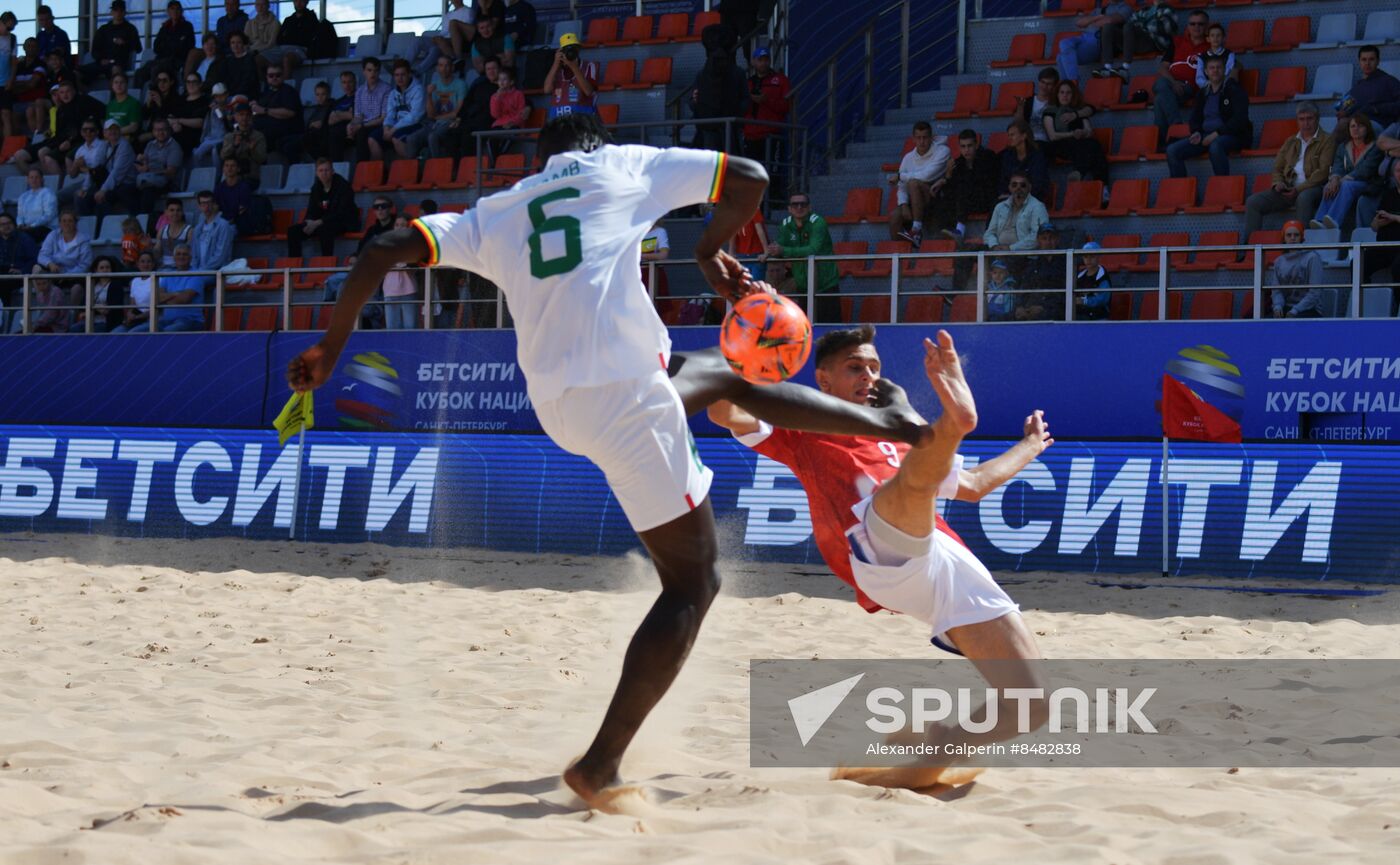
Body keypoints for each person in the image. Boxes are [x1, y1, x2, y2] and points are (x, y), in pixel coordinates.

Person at [287, 112, 929, 812]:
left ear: (539, 160)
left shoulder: (497, 211)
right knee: (695, 581)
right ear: (594, 146)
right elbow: (752, 177)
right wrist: (710, 250)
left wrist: (330, 347)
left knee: (723, 376)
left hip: (560, 404)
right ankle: (601, 764)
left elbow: (381, 246)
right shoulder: (622, 165)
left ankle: (879, 421)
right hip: (625, 404)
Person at [709, 325, 1052, 788]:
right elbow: (725, 411)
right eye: (855, 367)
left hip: (945, 562)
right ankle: (958, 420)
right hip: (874, 548)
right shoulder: (803, 424)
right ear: (824, 380)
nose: (868, 375)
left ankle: (936, 748)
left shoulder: (897, 434)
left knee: (1030, 706)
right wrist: (745, 354)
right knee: (909, 485)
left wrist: (1030, 446)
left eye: (874, 367)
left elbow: (973, 487)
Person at [1244, 102, 1334, 237]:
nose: (1306, 123)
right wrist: (1278, 183)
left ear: (1317, 118)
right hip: (1288, 188)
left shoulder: (1327, 140)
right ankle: (1249, 248)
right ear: (1297, 121)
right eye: (1301, 119)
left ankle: (1301, 246)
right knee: (1253, 202)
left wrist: (1298, 189)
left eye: (1310, 118)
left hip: (1314, 189)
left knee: (1303, 198)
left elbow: (1323, 172)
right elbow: (1277, 168)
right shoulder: (1290, 141)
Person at [1166, 54, 1250, 179]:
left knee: (1215, 146)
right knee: (1172, 150)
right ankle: (1181, 193)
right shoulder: (1202, 93)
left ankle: (1222, 187)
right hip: (1205, 135)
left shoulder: (1234, 90)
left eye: (1219, 67)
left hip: (1232, 135)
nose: (1215, 70)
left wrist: (1216, 134)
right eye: (1212, 68)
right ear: (1206, 71)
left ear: (1224, 70)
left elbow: (1239, 120)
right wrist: (1196, 132)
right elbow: (1195, 118)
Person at [767, 192, 839, 323]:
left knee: (830, 327)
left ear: (809, 207)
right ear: (789, 209)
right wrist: (767, 254)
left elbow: (813, 250)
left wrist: (783, 250)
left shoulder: (818, 223)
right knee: (805, 325)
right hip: (803, 286)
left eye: (803, 204)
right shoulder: (786, 224)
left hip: (825, 284)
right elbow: (779, 245)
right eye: (795, 204)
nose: (799, 207)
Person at [1311, 113, 1383, 232]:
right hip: (1348, 183)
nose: (1356, 129)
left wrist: (1341, 180)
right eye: (1352, 126)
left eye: (1360, 126)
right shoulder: (1343, 147)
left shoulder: (1375, 147)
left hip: (1370, 184)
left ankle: (1334, 220)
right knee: (1329, 187)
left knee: (1345, 185)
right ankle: (1319, 220)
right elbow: (1338, 167)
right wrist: (1334, 179)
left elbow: (1366, 170)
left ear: (1367, 128)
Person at [925, 129, 1000, 243]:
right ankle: (938, 234)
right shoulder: (958, 163)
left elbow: (989, 183)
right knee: (941, 198)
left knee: (962, 191)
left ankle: (960, 230)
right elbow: (951, 190)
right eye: (963, 146)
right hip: (966, 202)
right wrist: (948, 176)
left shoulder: (987, 157)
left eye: (969, 146)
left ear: (976, 145)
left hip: (986, 199)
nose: (966, 150)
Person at [1152, 7, 1207, 149]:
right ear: (1187, 26)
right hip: (1172, 84)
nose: (1196, 27)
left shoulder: (1210, 45)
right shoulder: (1177, 42)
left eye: (1200, 24)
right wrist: (1174, 82)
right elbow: (1162, 67)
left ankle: (1163, 140)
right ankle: (1176, 126)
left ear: (1206, 26)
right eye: (1193, 24)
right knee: (1161, 88)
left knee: (1160, 97)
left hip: (1190, 87)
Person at [889, 122, 950, 249]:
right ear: (913, 139)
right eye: (918, 138)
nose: (922, 141)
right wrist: (904, 205)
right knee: (895, 217)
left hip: (935, 199)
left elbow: (926, 176)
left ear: (931, 137)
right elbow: (901, 186)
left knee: (913, 183)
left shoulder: (943, 151)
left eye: (925, 137)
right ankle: (900, 256)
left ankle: (916, 229)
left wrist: (900, 176)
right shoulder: (908, 157)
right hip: (913, 201)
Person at [123, 243, 207, 332]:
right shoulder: (168, 274)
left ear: (190, 258)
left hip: (189, 321)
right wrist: (176, 294)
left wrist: (166, 298)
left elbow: (183, 299)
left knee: (166, 333)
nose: (181, 257)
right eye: (178, 254)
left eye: (184, 254)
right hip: (165, 320)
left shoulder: (196, 275)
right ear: (174, 258)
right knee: (134, 332)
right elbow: (157, 297)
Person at [1043, 79, 1108, 184]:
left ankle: (1081, 173)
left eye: (1068, 93)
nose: (1065, 96)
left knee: (1094, 144)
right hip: (1060, 143)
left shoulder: (1078, 111)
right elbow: (1052, 136)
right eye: (1062, 92)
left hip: (1079, 142)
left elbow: (1089, 131)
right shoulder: (1050, 111)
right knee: (1091, 148)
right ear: (1057, 94)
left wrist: (1082, 132)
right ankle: (1102, 185)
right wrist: (1072, 134)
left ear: (1073, 95)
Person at [288, 159, 357, 257]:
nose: (324, 173)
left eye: (327, 170)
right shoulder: (316, 188)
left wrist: (318, 222)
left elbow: (341, 212)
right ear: (316, 173)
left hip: (344, 222)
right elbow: (312, 210)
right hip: (321, 222)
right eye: (321, 170)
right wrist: (309, 222)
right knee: (293, 231)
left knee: (324, 229)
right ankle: (293, 266)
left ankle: (326, 263)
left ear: (332, 171)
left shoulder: (343, 186)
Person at [1057, 1, 1129, 84]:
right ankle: (1070, 84)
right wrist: (1097, 17)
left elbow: (1109, 20)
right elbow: (1079, 23)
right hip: (1084, 38)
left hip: (1099, 42)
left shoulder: (1125, 8)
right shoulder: (1099, 10)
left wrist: (1093, 21)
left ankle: (1071, 84)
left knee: (1060, 57)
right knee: (1064, 43)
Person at [1335, 46, 1400, 135]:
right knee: (1343, 124)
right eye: (1364, 60)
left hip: (1379, 125)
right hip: (1356, 122)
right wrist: (1343, 113)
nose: (1367, 63)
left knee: (1347, 125)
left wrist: (1377, 109)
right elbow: (1342, 108)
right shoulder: (1357, 87)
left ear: (1378, 61)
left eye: (1371, 59)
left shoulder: (1389, 81)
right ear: (1359, 62)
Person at [1364, 158, 1400, 312]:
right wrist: (1379, 223)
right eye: (1399, 171)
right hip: (1384, 246)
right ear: (1393, 175)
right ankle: (1367, 305)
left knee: (1398, 267)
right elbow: (1373, 227)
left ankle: (1397, 309)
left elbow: (1391, 217)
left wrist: (1392, 218)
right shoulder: (1388, 195)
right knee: (1359, 264)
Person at [983, 170, 1049, 252]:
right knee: (972, 251)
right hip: (998, 251)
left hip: (1022, 254)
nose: (1018, 188)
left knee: (999, 263)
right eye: (1014, 185)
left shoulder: (1038, 207)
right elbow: (989, 233)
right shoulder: (1000, 207)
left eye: (1023, 185)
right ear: (1009, 187)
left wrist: (1011, 248)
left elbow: (1038, 237)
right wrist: (994, 246)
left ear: (1029, 187)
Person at [1269, 221, 1324, 318]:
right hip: (1286, 307)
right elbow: (1276, 291)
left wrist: (1296, 310)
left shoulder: (1312, 258)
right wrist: (1277, 306)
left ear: (1301, 237)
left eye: (1296, 235)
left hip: (1310, 309)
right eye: (1289, 235)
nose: (1292, 238)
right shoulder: (1279, 261)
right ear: (1284, 238)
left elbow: (1314, 293)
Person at [251, 62, 303, 161]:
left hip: (285, 134)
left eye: (278, 75)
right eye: (271, 75)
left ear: (283, 76)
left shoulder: (289, 91)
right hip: (264, 133)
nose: (274, 78)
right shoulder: (266, 93)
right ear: (266, 77)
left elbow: (290, 113)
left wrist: (265, 110)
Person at [89, 120, 138, 218]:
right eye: (109, 130)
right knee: (84, 197)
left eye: (115, 129)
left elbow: (117, 172)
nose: (113, 132)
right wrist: (85, 187)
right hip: (112, 182)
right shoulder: (104, 145)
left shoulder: (124, 146)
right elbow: (95, 166)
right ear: (104, 133)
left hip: (127, 183)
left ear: (120, 131)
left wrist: (103, 190)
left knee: (105, 198)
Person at [83, 0, 140, 85]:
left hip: (120, 63)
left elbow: (138, 48)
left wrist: (125, 43)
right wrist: (100, 60)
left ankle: (115, 97)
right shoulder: (103, 30)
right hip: (102, 63)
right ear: (111, 12)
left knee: (116, 72)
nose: (118, 13)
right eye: (115, 10)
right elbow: (95, 49)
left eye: (120, 11)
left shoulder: (130, 29)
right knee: (77, 73)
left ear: (124, 13)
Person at [141, 1, 195, 89]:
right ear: (168, 12)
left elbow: (188, 46)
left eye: (177, 9)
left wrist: (168, 46)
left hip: (177, 61)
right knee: (141, 72)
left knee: (156, 69)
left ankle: (154, 93)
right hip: (161, 59)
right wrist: (173, 45)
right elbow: (156, 46)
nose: (175, 11)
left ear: (181, 11)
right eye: (172, 9)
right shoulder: (165, 27)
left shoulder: (187, 27)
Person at [137, 118, 185, 216]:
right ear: (153, 132)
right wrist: (140, 162)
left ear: (169, 130)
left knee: (148, 191)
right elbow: (145, 163)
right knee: (126, 189)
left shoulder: (174, 147)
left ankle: (144, 218)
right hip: (149, 178)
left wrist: (149, 170)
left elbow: (171, 172)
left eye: (163, 129)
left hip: (168, 182)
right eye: (157, 130)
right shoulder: (150, 145)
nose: (160, 133)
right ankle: (136, 217)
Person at [380, 215, 421, 329]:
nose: (399, 228)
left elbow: (413, 262)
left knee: (411, 327)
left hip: (409, 289)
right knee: (392, 328)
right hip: (390, 290)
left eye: (403, 225)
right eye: (397, 225)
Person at [67, 255, 126, 333]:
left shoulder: (116, 285)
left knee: (96, 331)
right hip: (88, 321)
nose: (105, 270)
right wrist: (98, 308)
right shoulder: (92, 284)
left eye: (107, 267)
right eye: (102, 268)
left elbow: (110, 310)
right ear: (96, 270)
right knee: (73, 329)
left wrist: (92, 308)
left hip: (106, 322)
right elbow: (83, 307)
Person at [545, 32, 597, 119]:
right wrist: (555, 63)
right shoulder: (556, 69)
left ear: (578, 50)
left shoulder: (589, 66)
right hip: (559, 120)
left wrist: (574, 67)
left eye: (573, 49)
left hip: (582, 119)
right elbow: (547, 90)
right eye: (566, 50)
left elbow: (588, 92)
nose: (570, 52)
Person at [37, 209, 94, 288]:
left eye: (70, 221)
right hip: (54, 274)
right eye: (64, 221)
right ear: (60, 223)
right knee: (36, 269)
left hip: (74, 277)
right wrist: (50, 264)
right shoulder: (53, 235)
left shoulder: (83, 240)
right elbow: (42, 255)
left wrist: (66, 275)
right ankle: (41, 299)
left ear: (75, 223)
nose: (67, 224)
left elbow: (85, 265)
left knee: (77, 288)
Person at [382, 59, 426, 160]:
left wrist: (393, 130)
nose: (399, 78)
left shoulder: (419, 90)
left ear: (409, 74)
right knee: (373, 138)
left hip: (416, 125)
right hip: (397, 126)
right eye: (397, 75)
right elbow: (390, 114)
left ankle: (413, 167)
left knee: (397, 138)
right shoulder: (393, 93)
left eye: (403, 75)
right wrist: (386, 128)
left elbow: (415, 117)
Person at [348, 56, 390, 161]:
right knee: (338, 133)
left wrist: (361, 125)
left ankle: (362, 169)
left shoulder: (386, 89)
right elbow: (358, 115)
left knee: (362, 133)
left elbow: (383, 118)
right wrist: (352, 124)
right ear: (364, 72)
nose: (373, 73)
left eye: (376, 70)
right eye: (369, 70)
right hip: (364, 125)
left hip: (379, 125)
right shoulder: (360, 91)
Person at [425, 56, 467, 159]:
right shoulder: (434, 86)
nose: (444, 68)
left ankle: (438, 168)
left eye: (447, 65)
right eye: (441, 65)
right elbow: (430, 115)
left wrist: (438, 118)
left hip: (452, 122)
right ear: (437, 68)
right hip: (435, 123)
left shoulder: (460, 84)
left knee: (432, 137)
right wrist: (429, 95)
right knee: (412, 139)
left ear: (452, 68)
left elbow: (456, 112)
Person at [265, 0, 318, 81]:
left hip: (300, 49)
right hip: (282, 48)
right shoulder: (288, 20)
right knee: (259, 59)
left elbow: (309, 39)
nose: (299, 3)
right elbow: (279, 39)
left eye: (301, 1)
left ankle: (284, 90)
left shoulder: (311, 19)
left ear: (307, 2)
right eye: (296, 1)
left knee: (287, 59)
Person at [59, 120, 107, 209]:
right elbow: (72, 175)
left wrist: (83, 167)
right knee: (58, 195)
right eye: (85, 130)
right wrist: (75, 165)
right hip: (86, 181)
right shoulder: (81, 149)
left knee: (79, 196)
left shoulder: (102, 146)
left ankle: (85, 221)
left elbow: (95, 171)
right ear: (81, 132)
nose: (88, 132)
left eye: (91, 130)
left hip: (99, 182)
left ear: (97, 132)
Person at [999, 118, 1050, 202]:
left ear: (1023, 136)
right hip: (1011, 198)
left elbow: (1039, 183)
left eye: (1013, 135)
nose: (1009, 138)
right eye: (1009, 135)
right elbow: (1004, 181)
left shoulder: (1036, 156)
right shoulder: (1008, 156)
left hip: (1032, 198)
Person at [0, 214, 39, 314]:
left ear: (14, 224)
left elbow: (34, 259)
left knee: (3, 284)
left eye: (9, 223)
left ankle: (5, 314)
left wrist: (22, 270)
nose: (6, 226)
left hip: (18, 274)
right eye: (2, 224)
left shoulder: (25, 239)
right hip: (2, 272)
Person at [111, 249, 157, 332]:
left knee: (132, 333)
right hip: (136, 319)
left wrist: (137, 317)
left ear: (153, 264)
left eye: (148, 261)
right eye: (142, 262)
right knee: (115, 332)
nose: (145, 264)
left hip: (150, 319)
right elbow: (132, 305)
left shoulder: (158, 280)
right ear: (138, 264)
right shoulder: (134, 281)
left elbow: (157, 308)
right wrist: (130, 314)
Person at [488, 65, 528, 157]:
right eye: (499, 80)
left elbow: (521, 114)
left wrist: (512, 123)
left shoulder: (518, 94)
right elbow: (495, 115)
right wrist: (497, 98)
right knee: (491, 137)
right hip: (499, 124)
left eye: (504, 79)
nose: (501, 82)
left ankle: (500, 156)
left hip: (514, 125)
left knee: (511, 134)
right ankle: (494, 162)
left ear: (511, 82)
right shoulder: (494, 96)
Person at [221, 98, 268, 177]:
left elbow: (262, 159)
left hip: (251, 175)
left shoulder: (258, 136)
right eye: (241, 114)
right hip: (232, 175)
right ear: (235, 117)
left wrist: (252, 150)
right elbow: (223, 156)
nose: (244, 117)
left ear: (251, 117)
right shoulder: (229, 137)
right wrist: (234, 145)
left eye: (247, 115)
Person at [191, 190, 235, 272]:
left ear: (214, 204)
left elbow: (220, 256)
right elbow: (194, 255)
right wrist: (194, 270)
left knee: (192, 281)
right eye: (203, 203)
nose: (206, 207)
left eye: (209, 203)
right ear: (199, 206)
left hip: (217, 271)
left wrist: (200, 271)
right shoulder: (198, 228)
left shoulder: (223, 225)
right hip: (198, 270)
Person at [1015, 67, 1060, 146]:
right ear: (1038, 82)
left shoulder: (1057, 103)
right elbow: (1019, 124)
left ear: (1054, 86)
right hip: (1028, 141)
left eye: (1049, 84)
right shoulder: (1028, 102)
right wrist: (1020, 107)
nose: (1044, 86)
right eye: (1042, 82)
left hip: (1048, 144)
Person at [170, 72, 210, 157]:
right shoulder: (180, 100)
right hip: (175, 133)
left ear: (200, 84)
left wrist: (179, 121)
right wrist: (174, 124)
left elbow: (200, 122)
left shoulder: (204, 100)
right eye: (188, 82)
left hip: (194, 137)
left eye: (194, 82)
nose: (191, 85)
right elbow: (169, 117)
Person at [193, 83, 231, 168]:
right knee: (196, 153)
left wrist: (224, 114)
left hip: (224, 139)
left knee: (215, 152)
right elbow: (206, 125)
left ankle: (217, 178)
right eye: (217, 96)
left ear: (227, 94)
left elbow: (230, 127)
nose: (220, 98)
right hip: (211, 138)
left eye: (222, 95)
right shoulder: (212, 107)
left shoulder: (231, 106)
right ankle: (200, 176)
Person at [215, 156, 256, 235]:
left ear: (238, 169)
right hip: (222, 222)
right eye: (226, 166)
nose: (229, 168)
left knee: (223, 231)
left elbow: (242, 211)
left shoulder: (244, 187)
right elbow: (215, 208)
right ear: (223, 169)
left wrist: (227, 222)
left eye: (232, 166)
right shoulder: (219, 188)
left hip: (237, 224)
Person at [18, 167, 59, 244]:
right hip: (27, 227)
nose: (34, 180)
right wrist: (20, 224)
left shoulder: (48, 194)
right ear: (27, 180)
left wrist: (32, 226)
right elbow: (20, 215)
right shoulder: (23, 196)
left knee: (24, 237)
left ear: (42, 179)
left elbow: (49, 215)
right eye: (31, 177)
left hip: (46, 228)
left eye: (37, 177)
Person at [1194, 23, 1238, 90]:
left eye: (1218, 35)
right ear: (1208, 39)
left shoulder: (1229, 54)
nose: (1215, 38)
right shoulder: (1202, 57)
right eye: (1212, 35)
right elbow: (1199, 78)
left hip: (1225, 87)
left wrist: (1219, 84)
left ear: (1224, 38)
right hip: (1208, 88)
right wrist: (1209, 85)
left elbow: (1228, 72)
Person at [217, 31, 260, 101]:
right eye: (233, 43)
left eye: (239, 42)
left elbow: (248, 83)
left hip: (246, 95)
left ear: (243, 44)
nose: (235, 45)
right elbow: (222, 79)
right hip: (229, 94)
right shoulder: (227, 61)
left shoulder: (249, 60)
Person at [1073, 241, 1111, 320]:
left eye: (1092, 256)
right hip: (1081, 316)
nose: (1088, 259)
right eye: (1085, 256)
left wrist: (1084, 301)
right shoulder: (1080, 276)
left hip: (1099, 316)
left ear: (1099, 256)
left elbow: (1103, 299)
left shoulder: (1103, 277)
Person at [105, 71, 143, 139]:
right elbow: (107, 126)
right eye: (116, 82)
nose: (119, 85)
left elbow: (133, 127)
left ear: (126, 85)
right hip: (111, 139)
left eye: (122, 82)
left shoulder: (134, 103)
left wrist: (114, 133)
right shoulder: (110, 104)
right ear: (112, 86)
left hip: (126, 139)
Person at [0, 13, 15, 139]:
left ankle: (6, 148)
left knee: (6, 114)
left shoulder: (13, 39)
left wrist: (11, 79)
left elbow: (14, 62)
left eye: (12, 28)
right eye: (8, 27)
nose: (9, 31)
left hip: (5, 83)